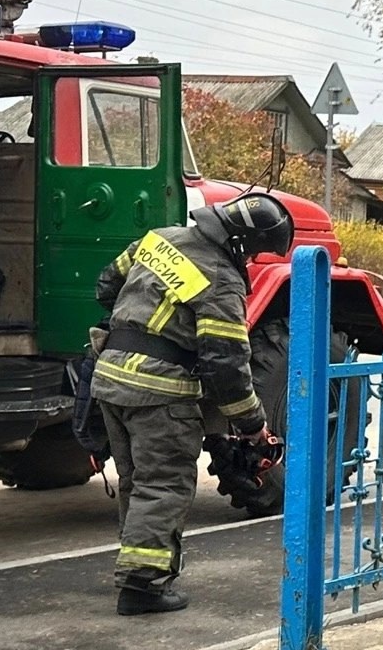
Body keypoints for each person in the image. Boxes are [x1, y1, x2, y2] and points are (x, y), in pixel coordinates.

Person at [87, 191, 293, 615]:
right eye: (254, 253)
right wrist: (253, 426)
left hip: (109, 379)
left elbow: (107, 286)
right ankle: (142, 587)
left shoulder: (158, 239)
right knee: (163, 485)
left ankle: (135, 569)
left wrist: (145, 324)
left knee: (137, 482)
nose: (252, 261)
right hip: (159, 394)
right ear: (240, 244)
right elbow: (227, 367)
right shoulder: (221, 280)